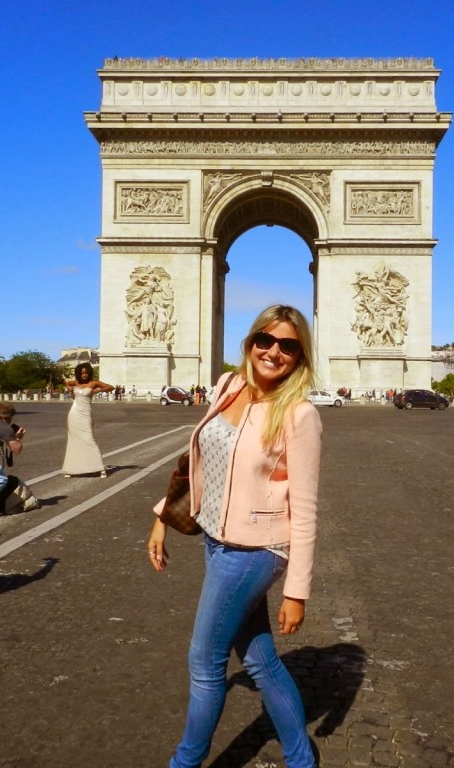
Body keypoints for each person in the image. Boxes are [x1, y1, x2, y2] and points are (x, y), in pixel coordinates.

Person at [148, 304, 322, 768]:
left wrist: (296, 592)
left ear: (300, 355)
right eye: (265, 340)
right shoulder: (227, 387)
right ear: (250, 343)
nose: (273, 351)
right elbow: (197, 462)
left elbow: (304, 511)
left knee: (205, 665)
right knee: (262, 664)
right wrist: (163, 516)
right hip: (215, 540)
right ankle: (302, 759)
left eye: (288, 345)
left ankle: (184, 763)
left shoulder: (300, 415)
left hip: (255, 552)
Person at [62, 362, 113, 478]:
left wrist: (98, 390)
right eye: (81, 373)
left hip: (85, 414)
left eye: (85, 373)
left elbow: (111, 387)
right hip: (74, 413)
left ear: (89, 373)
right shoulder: (76, 383)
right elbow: (66, 382)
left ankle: (100, 468)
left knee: (89, 439)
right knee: (73, 441)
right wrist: (69, 388)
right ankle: (71, 468)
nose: (84, 375)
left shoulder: (94, 383)